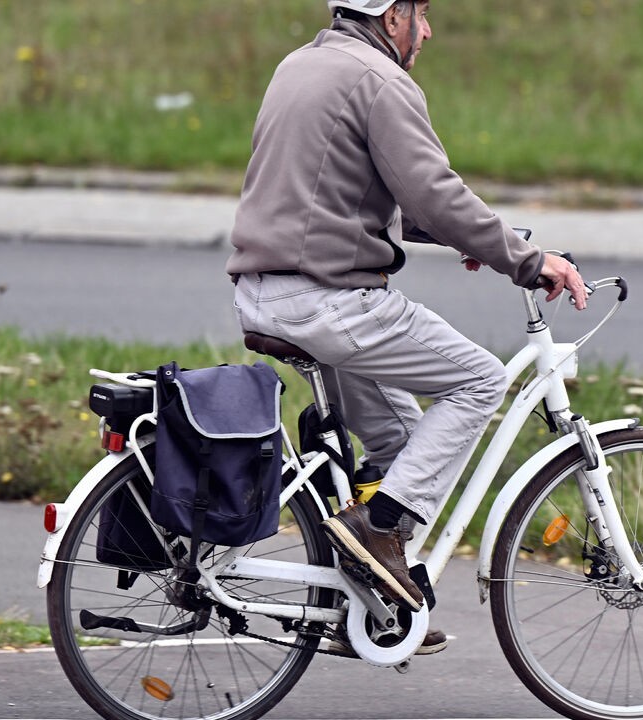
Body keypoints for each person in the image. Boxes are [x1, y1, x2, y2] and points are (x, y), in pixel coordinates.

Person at [225, 0, 587, 648]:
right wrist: (529, 263)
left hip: (266, 291)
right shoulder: (381, 80)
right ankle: (379, 527)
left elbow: (352, 193)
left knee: (401, 442)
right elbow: (433, 192)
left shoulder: (300, 67)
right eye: (420, 13)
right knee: (479, 380)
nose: (427, 29)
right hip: (329, 300)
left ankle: (372, 607)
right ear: (390, 16)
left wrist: (468, 238)